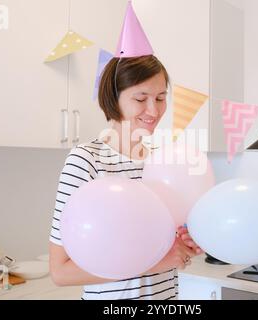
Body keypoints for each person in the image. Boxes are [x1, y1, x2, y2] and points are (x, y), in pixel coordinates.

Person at [49, 55, 203, 300]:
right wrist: (155, 263)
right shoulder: (87, 160)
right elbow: (61, 272)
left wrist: (187, 243)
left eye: (161, 98)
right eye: (141, 98)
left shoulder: (163, 163)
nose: (154, 110)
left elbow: (160, 244)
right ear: (114, 98)